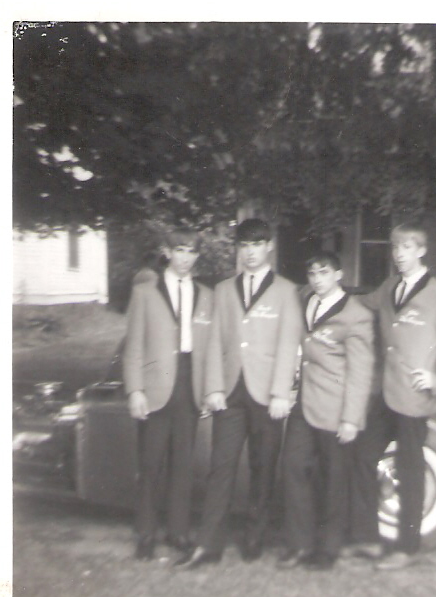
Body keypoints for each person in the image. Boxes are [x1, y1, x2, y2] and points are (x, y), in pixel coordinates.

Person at [176, 218, 303, 568]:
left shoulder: (286, 291)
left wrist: (281, 393)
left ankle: (254, 537)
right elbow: (214, 341)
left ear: (269, 247)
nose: (250, 252)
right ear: (238, 249)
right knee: (221, 467)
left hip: (267, 394)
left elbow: (289, 344)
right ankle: (207, 545)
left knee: (263, 469)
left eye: (257, 244)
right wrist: (214, 387)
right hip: (229, 392)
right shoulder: (223, 290)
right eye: (244, 245)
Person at [347, 222, 436, 571]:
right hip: (385, 392)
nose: (399, 254)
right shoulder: (389, 287)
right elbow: (361, 304)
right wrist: (320, 298)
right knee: (362, 455)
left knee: (410, 469)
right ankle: (369, 539)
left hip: (415, 396)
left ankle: (407, 546)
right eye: (395, 247)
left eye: (406, 247)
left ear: (421, 251)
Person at [277, 252, 374, 571]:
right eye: (312, 273)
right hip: (305, 404)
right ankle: (299, 544)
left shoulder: (356, 314)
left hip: (336, 408)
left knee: (334, 480)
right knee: (293, 468)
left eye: (324, 272)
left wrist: (351, 418)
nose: (317, 279)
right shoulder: (306, 301)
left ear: (338, 274)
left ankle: (329, 548)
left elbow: (360, 371)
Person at [122, 228, 214, 561]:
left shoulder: (206, 295)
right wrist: (135, 390)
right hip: (156, 385)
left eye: (191, 251)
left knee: (183, 465)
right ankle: (145, 534)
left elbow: (210, 347)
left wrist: (208, 389)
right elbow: (133, 345)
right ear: (168, 252)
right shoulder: (145, 292)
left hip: (190, 384)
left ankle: (178, 532)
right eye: (180, 250)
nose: (185, 258)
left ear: (197, 256)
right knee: (150, 465)